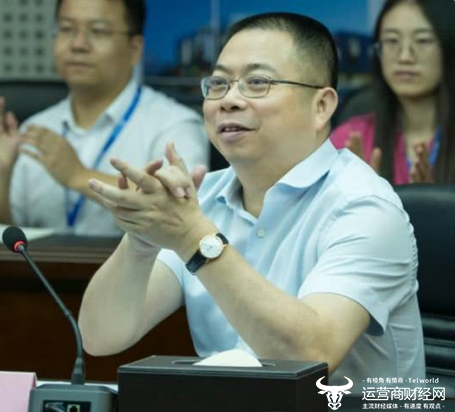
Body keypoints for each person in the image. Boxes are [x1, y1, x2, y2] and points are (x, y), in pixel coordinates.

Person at [78, 12, 425, 388]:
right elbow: (100, 337)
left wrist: (196, 239)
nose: (229, 100)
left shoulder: (364, 206)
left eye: (257, 82)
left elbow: (311, 357)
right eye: (218, 83)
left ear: (321, 106)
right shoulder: (202, 199)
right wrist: (141, 239)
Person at [0, 0, 209, 236]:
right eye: (66, 29)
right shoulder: (36, 128)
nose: (78, 44)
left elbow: (179, 208)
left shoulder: (175, 126)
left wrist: (79, 176)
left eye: (98, 31)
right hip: (37, 264)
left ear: (134, 49)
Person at [331, 0, 455, 185]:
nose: (404, 57)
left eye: (423, 40)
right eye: (392, 41)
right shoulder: (349, 139)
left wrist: (437, 199)